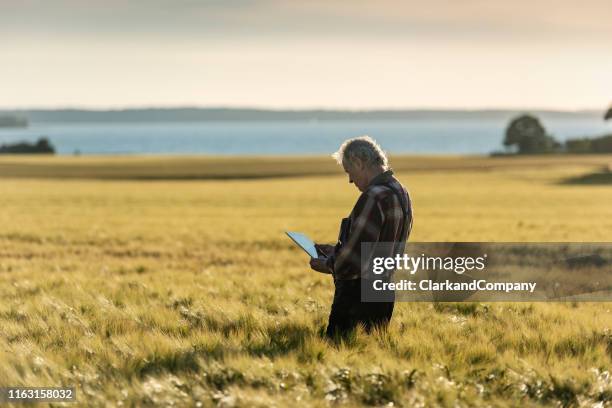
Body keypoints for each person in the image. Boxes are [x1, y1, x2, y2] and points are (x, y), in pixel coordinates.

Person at [310, 136, 413, 340]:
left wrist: (327, 263)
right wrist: (337, 251)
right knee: (372, 351)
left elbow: (354, 261)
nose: (350, 180)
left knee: (339, 351)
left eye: (349, 172)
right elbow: (374, 246)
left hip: (356, 298)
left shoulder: (374, 197)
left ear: (359, 162)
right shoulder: (401, 192)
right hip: (383, 291)